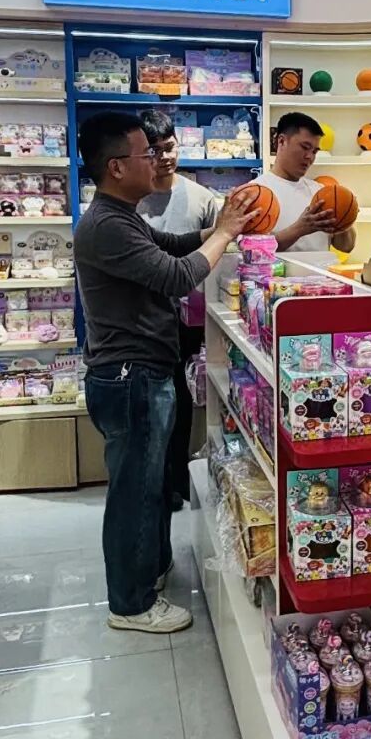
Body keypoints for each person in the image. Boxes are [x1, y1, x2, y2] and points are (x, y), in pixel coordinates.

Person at [74, 110, 256, 635]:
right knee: (134, 493)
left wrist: (220, 228)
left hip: (143, 371)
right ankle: (130, 605)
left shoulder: (122, 215)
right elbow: (177, 276)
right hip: (130, 376)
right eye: (145, 153)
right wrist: (224, 233)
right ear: (116, 167)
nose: (155, 160)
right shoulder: (106, 225)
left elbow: (170, 246)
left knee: (149, 485)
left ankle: (148, 569)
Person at [137, 109, 219, 508]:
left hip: (192, 319)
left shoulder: (202, 198)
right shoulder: (131, 200)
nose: (165, 157)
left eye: (169, 147)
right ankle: (157, 481)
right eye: (154, 151)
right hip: (145, 319)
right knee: (153, 402)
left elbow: (218, 253)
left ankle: (178, 477)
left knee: (184, 398)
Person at [252, 111, 357, 252]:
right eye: (305, 147)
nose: (310, 157)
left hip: (322, 267)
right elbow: (253, 250)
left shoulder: (320, 192)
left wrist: (345, 214)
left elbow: (346, 247)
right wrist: (300, 229)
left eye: (314, 151)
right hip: (277, 268)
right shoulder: (255, 192)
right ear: (281, 141)